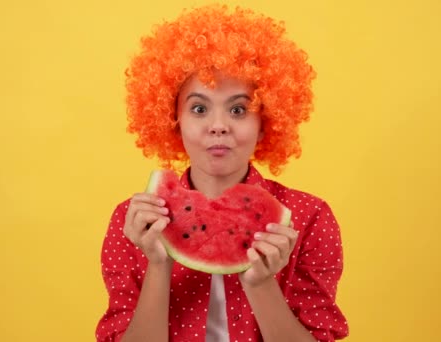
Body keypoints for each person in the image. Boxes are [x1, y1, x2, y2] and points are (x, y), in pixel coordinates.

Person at [96, 4, 349, 341]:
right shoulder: (134, 221)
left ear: (265, 124)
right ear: (175, 121)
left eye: (238, 109)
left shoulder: (308, 218)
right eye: (199, 108)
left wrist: (260, 283)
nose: (218, 126)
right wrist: (158, 264)